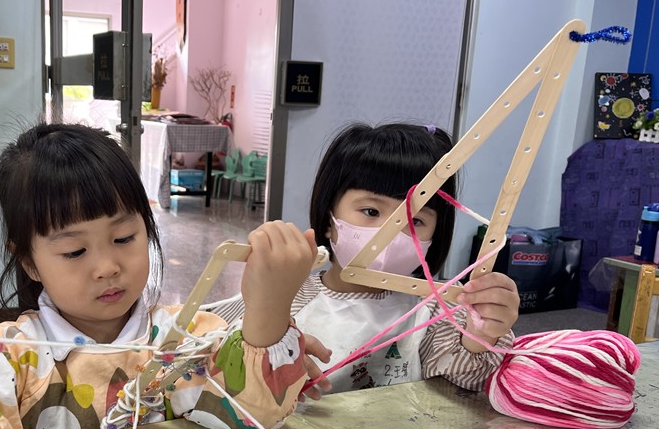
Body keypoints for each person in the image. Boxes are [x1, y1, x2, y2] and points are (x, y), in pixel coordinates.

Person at [0, 123, 318, 429]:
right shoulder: (11, 358)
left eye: (124, 238)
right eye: (75, 251)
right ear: (30, 262)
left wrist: (269, 316)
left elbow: (249, 415)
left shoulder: (185, 338)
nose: (107, 267)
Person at [214, 123, 519, 394]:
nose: (391, 234)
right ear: (329, 219)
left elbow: (464, 382)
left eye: (416, 221)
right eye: (371, 211)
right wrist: (269, 318)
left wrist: (482, 332)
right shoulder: (291, 297)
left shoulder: (436, 311)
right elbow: (217, 366)